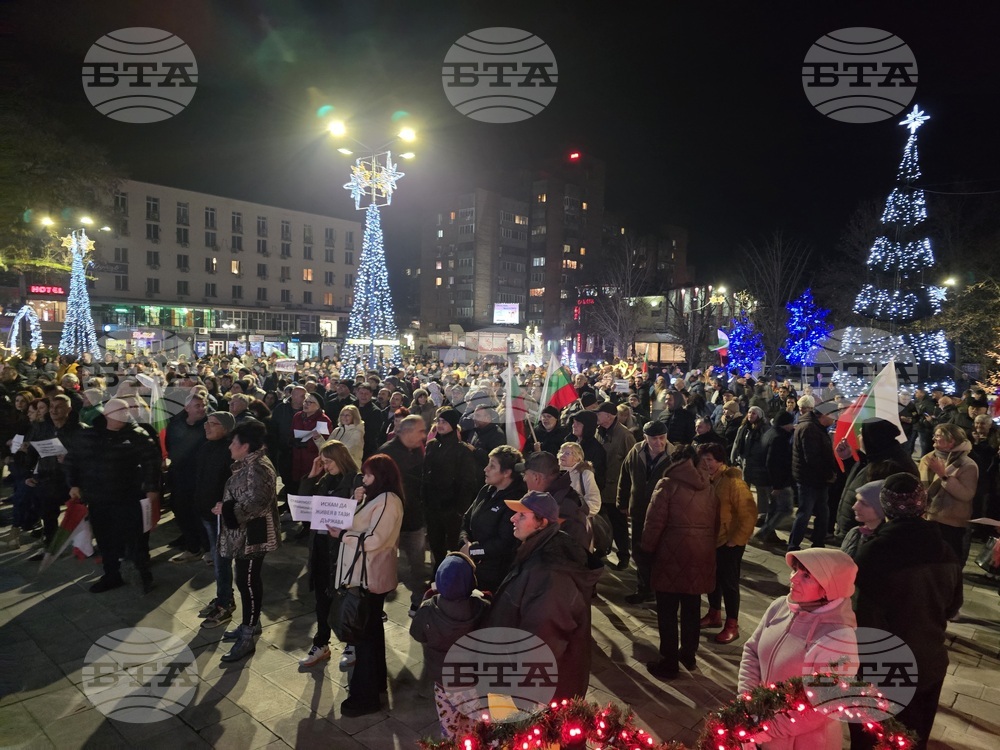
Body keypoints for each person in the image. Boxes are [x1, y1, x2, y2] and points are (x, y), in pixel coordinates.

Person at [851, 473, 963, 750]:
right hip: (929, 662)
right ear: (922, 504)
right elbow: (952, 607)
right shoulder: (946, 551)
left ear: (886, 507)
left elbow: (863, 616)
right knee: (913, 740)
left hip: (883, 667)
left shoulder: (874, 553)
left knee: (871, 741)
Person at [482, 491, 603, 700]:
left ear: (542, 522)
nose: (512, 518)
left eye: (522, 515)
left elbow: (543, 642)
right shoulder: (538, 549)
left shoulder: (550, 571)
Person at [738, 549, 859, 750]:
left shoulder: (838, 638)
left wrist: (765, 729)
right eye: (795, 570)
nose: (793, 578)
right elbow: (752, 651)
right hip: (761, 729)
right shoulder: (780, 607)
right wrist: (746, 703)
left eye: (806, 576)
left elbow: (822, 708)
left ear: (828, 588)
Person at [330, 454, 404, 716]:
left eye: (369, 475)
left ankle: (365, 697)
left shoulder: (388, 500)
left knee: (364, 637)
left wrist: (343, 535)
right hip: (364, 574)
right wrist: (356, 500)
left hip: (369, 577)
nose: (364, 479)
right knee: (370, 632)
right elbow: (357, 524)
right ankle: (374, 685)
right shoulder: (375, 499)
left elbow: (375, 539)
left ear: (382, 477)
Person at [65, 399, 162, 594]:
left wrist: (152, 489)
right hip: (98, 497)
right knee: (105, 539)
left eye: (126, 411)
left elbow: (152, 462)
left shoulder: (137, 435)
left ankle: (142, 575)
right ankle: (111, 575)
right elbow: (72, 460)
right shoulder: (89, 435)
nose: (125, 415)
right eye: (120, 412)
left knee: (135, 539)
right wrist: (73, 484)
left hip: (129, 497)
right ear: (107, 415)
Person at [641, 444, 717, 679]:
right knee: (692, 607)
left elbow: (654, 523)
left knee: (667, 611)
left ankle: (669, 661)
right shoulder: (708, 485)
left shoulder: (667, 484)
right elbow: (715, 521)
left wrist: (646, 550)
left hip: (670, 554)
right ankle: (688, 654)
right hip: (700, 554)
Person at [215, 420, 280, 662]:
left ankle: (248, 635)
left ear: (245, 446)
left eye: (233, 442)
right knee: (245, 581)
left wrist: (227, 509)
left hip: (254, 536)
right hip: (245, 534)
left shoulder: (259, 468)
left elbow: (257, 502)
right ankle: (250, 623)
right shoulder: (249, 464)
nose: (229, 446)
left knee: (248, 583)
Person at [297, 440, 359, 668]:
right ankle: (321, 643)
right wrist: (311, 476)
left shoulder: (355, 480)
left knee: (345, 598)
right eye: (322, 462)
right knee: (322, 599)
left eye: (328, 461)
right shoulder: (324, 480)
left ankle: (352, 643)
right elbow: (304, 508)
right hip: (321, 546)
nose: (326, 466)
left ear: (340, 458)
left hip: (342, 548)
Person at [697, 442, 756, 644]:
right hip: (711, 540)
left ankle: (732, 624)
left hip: (729, 542)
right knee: (712, 580)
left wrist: (735, 540)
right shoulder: (708, 479)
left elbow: (748, 514)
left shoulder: (733, 482)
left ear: (720, 461)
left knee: (729, 584)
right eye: (703, 460)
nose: (706, 464)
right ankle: (714, 613)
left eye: (710, 460)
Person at [409, 551, 490, 688]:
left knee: (445, 701)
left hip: (441, 675)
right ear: (472, 580)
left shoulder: (427, 609)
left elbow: (416, 634)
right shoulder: (483, 607)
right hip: (473, 674)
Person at [460, 445, 526, 594]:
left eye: (492, 466)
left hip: (495, 574)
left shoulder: (516, 500)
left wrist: (473, 551)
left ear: (507, 473)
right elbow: (467, 518)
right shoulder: (486, 490)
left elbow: (504, 543)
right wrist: (464, 541)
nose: (486, 469)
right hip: (472, 565)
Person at [378, 414, 427, 614]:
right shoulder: (386, 454)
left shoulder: (416, 451)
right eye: (421, 431)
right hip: (391, 521)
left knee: (417, 565)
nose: (424, 435)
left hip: (414, 519)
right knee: (385, 564)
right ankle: (377, 606)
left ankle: (417, 603)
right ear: (407, 431)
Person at [616, 421, 673, 591]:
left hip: (662, 515)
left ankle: (657, 588)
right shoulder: (636, 452)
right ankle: (643, 587)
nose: (659, 442)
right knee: (639, 549)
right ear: (645, 438)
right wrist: (622, 502)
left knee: (658, 552)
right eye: (654, 438)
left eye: (662, 437)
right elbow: (625, 477)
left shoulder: (674, 456)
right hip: (639, 510)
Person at [423, 407, 480, 575]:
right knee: (436, 543)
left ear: (453, 425)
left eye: (445, 422)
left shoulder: (462, 450)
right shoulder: (432, 445)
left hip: (451, 507)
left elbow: (468, 481)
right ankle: (438, 574)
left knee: (454, 545)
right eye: (439, 421)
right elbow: (425, 473)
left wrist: (460, 510)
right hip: (433, 505)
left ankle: (454, 575)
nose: (440, 425)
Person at [196, 411, 239, 628]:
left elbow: (235, 485)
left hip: (221, 514)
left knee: (222, 560)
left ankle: (225, 603)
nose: (207, 427)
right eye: (207, 423)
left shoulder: (231, 451)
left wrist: (225, 506)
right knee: (216, 557)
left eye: (213, 424)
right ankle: (224, 594)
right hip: (207, 511)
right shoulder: (206, 447)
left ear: (226, 428)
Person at [918, 422, 977, 563]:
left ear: (951, 441)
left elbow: (966, 494)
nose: (933, 438)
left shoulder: (967, 464)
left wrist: (944, 476)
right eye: (934, 435)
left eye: (938, 436)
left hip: (951, 523)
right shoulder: (928, 458)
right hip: (928, 518)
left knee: (948, 562)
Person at [787, 397, 838, 552]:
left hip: (816, 478)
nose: (835, 419)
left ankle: (818, 542)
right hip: (810, 479)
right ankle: (793, 546)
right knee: (805, 513)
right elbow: (812, 458)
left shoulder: (815, 426)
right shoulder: (810, 428)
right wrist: (828, 474)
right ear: (825, 414)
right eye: (834, 415)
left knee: (822, 512)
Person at [165, 390, 210, 562]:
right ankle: (192, 547)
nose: (202, 408)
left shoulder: (210, 425)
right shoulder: (176, 424)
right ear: (187, 408)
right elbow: (169, 445)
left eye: (203, 405)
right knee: (182, 511)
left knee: (201, 515)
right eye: (197, 406)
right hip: (180, 477)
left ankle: (208, 549)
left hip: (201, 478)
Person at [753, 410, 796, 546]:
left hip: (767, 479)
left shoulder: (770, 433)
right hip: (778, 481)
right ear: (786, 424)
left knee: (774, 507)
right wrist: (777, 486)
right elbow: (773, 463)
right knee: (785, 509)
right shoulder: (779, 438)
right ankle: (764, 532)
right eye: (791, 423)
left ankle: (768, 534)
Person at [730, 405, 770, 525]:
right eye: (749, 412)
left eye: (753, 413)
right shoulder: (743, 428)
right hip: (745, 464)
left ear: (759, 416)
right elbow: (737, 443)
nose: (750, 415)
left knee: (761, 491)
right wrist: (733, 458)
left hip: (759, 465)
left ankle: (762, 515)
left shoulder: (765, 429)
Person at [291, 392, 333, 484]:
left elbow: (326, 443)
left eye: (310, 402)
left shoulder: (324, 420)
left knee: (310, 484)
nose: (306, 404)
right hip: (297, 458)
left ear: (318, 406)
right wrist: (293, 440)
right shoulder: (297, 416)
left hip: (313, 459)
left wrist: (308, 444)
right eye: (305, 401)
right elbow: (292, 432)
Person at [839, 480, 885, 561]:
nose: (855, 507)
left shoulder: (885, 542)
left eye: (864, 503)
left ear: (881, 508)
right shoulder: (855, 532)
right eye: (857, 500)